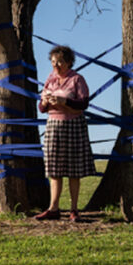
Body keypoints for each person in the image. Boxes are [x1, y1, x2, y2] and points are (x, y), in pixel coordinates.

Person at [35, 45, 95, 222]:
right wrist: (45, 101)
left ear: (69, 62)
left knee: (74, 169)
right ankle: (53, 208)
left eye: (59, 62)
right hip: (54, 125)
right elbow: (41, 108)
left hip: (74, 125)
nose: (56, 65)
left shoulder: (77, 79)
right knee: (54, 169)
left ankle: (74, 209)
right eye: (53, 62)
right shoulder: (50, 79)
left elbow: (83, 104)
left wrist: (65, 101)